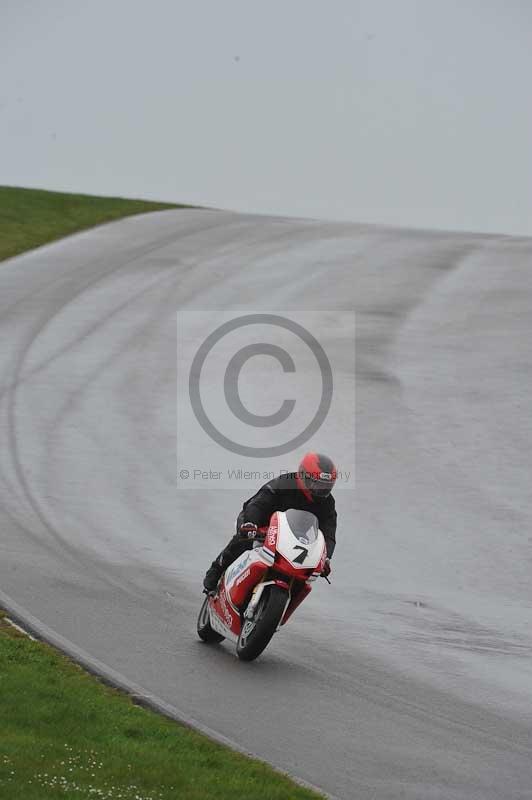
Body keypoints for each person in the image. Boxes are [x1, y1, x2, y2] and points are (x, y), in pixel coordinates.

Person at [203, 452, 337, 592]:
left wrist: (326, 557)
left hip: (293, 537)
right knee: (244, 541)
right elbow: (259, 504)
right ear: (302, 475)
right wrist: (250, 523)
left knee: (304, 572)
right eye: (316, 484)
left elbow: (329, 531)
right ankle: (217, 569)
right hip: (259, 523)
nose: (320, 491)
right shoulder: (284, 483)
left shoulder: (327, 502)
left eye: (325, 486)